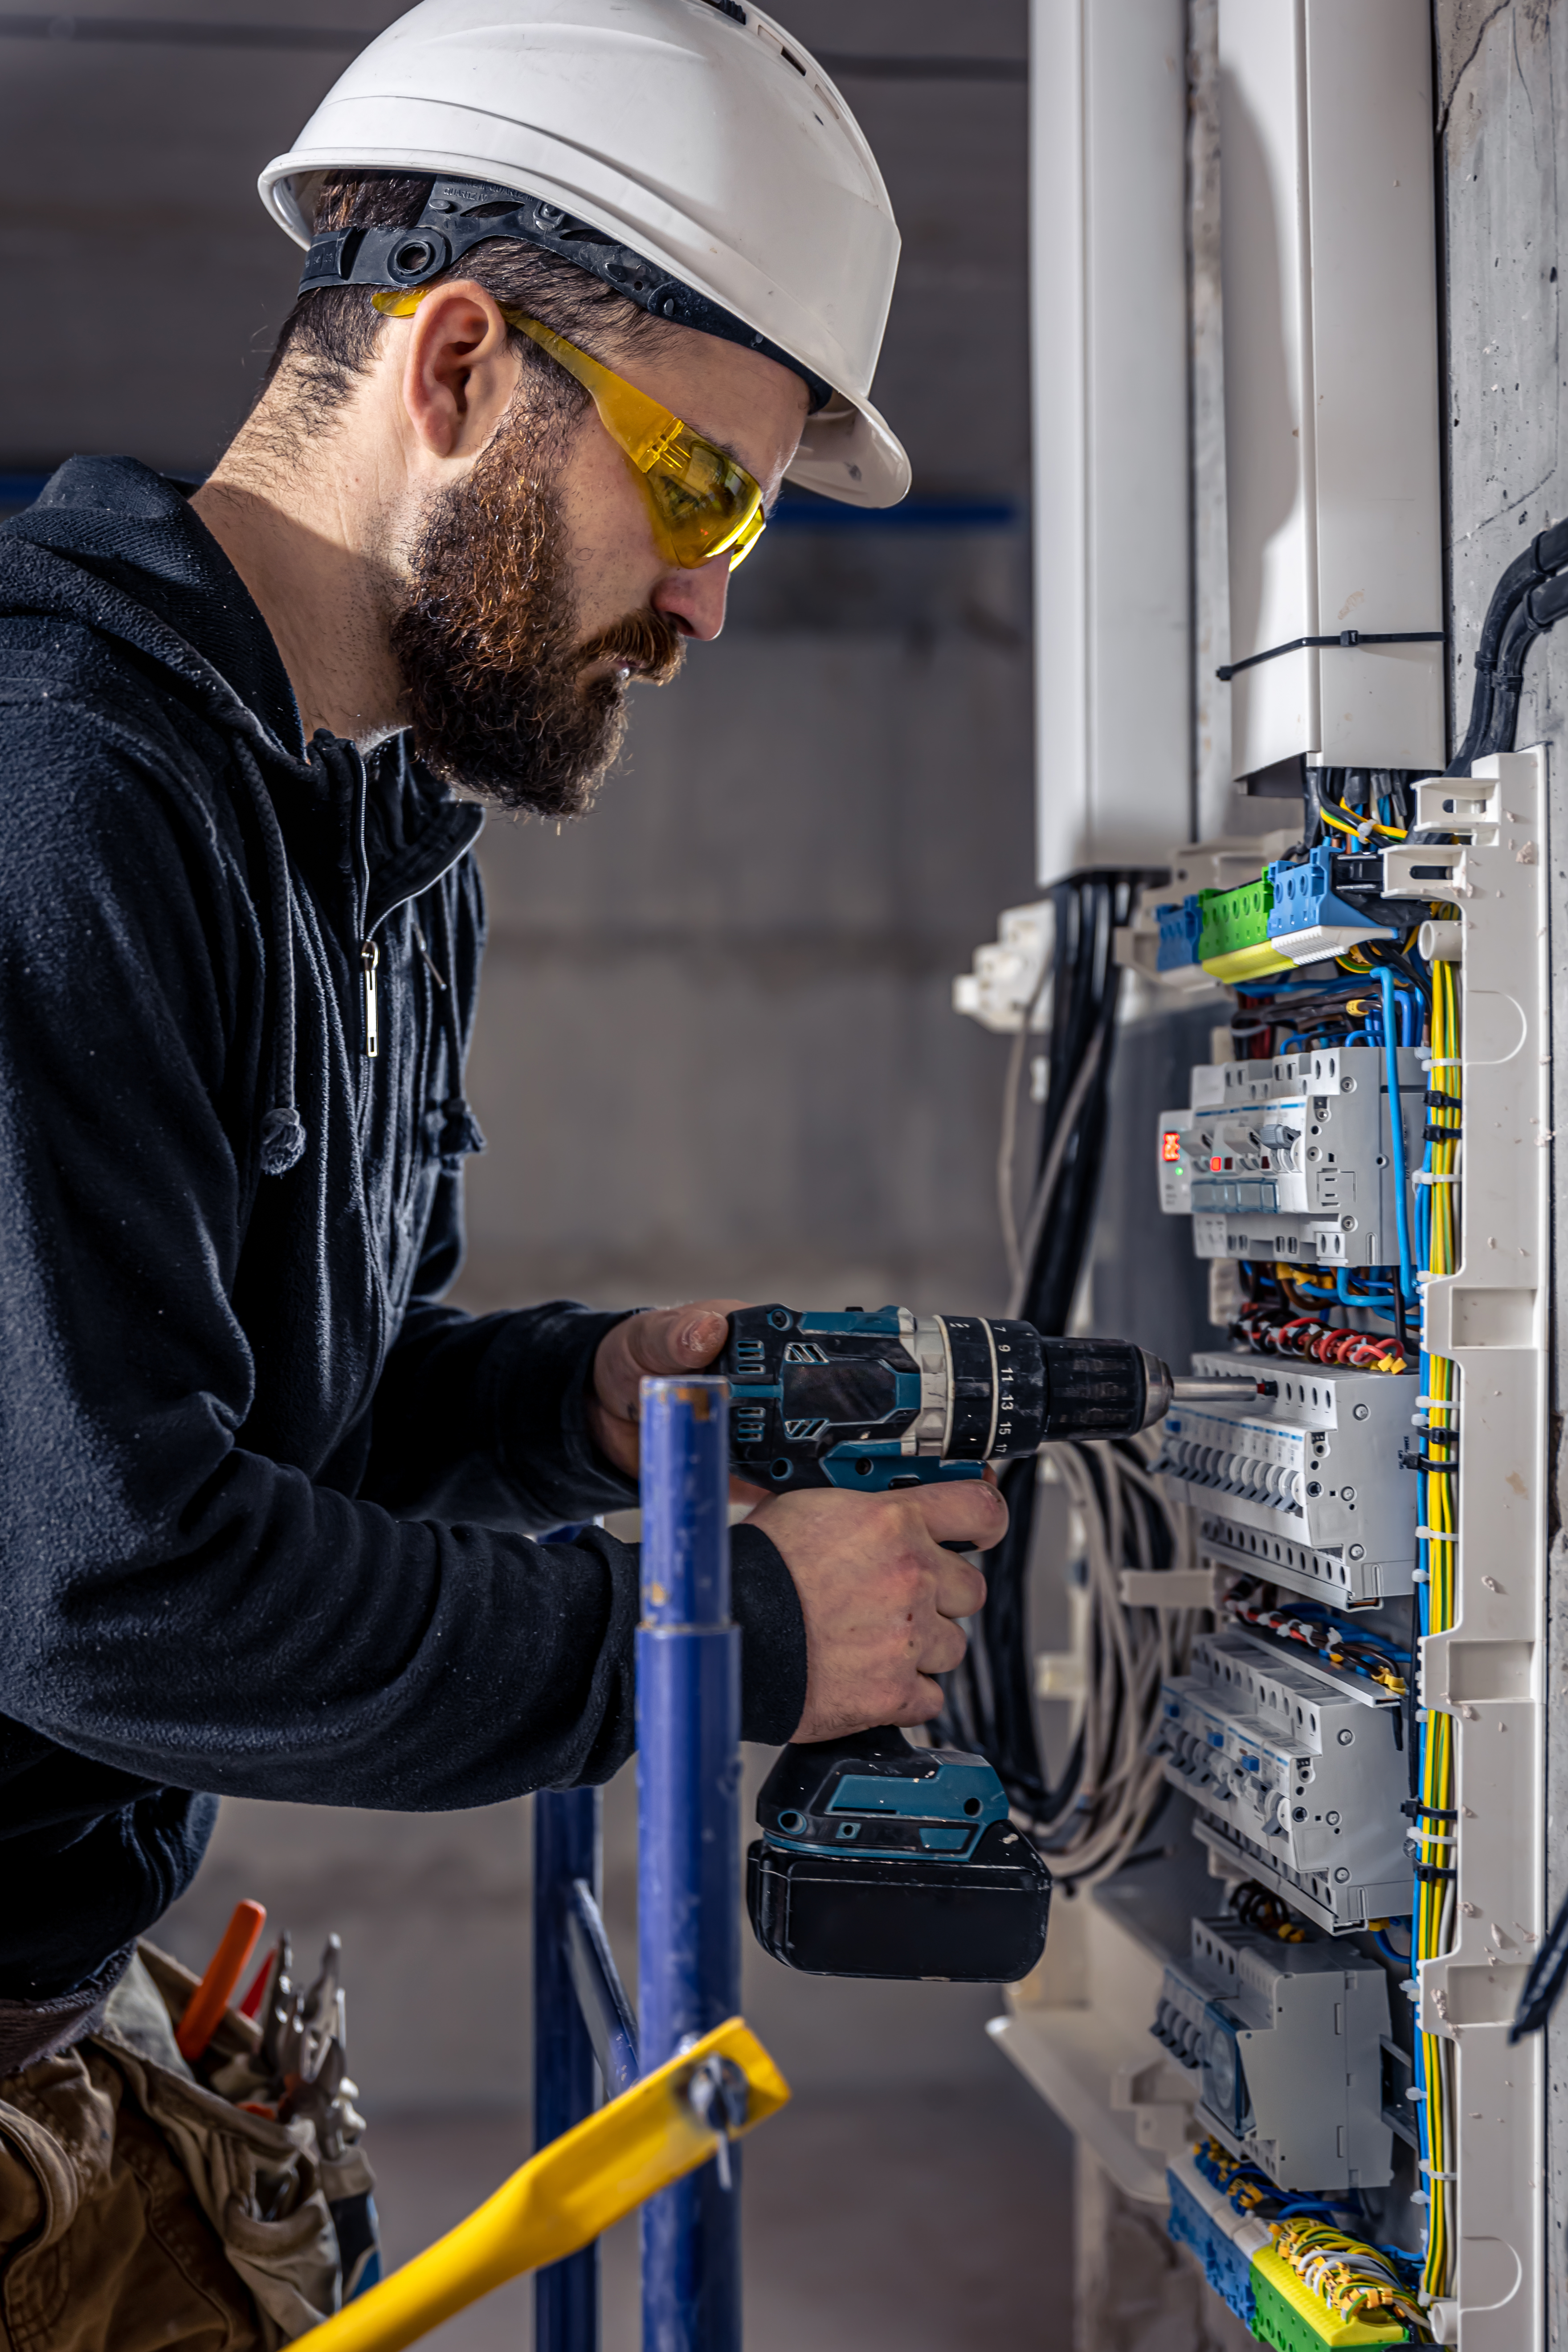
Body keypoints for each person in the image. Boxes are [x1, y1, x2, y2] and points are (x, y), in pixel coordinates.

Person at [0, 1, 1005, 2340]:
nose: (711, 602)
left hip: (72, 2011)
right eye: (706, 489)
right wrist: (727, 1631)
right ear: (453, 364)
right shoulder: (65, 796)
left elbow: (277, 1429)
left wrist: (576, 1401)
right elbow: (100, 1585)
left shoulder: (379, 843)